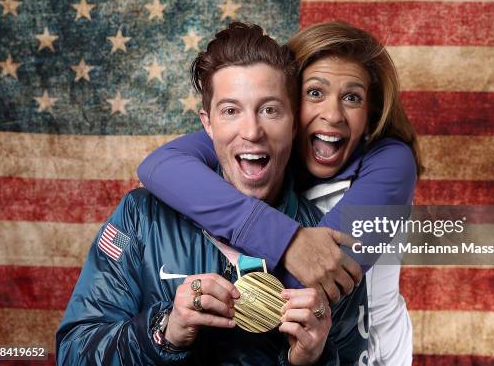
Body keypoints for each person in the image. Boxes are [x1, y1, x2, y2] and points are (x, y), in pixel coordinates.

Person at [57, 22, 367, 366]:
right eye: (231, 111)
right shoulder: (141, 216)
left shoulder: (328, 248)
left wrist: (314, 359)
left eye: (270, 110)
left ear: (294, 123)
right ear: (208, 124)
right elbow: (73, 352)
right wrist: (166, 330)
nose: (251, 131)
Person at [137, 21, 422, 366]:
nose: (332, 114)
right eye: (314, 93)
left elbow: (302, 280)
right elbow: (160, 166)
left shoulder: (392, 163)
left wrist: (286, 244)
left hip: (369, 354)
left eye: (351, 97)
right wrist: (289, 240)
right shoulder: (263, 138)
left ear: (371, 114)